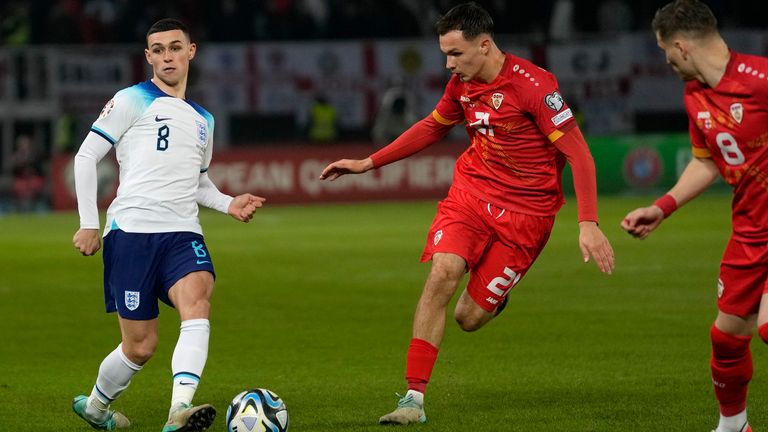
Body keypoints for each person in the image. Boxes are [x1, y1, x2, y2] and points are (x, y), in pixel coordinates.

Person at [320, 2, 614, 425]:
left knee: (468, 318)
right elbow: (433, 126)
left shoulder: (534, 86)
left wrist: (588, 224)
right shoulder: (462, 84)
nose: (448, 64)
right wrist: (369, 163)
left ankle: (495, 296)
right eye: (445, 53)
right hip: (472, 195)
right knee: (442, 273)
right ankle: (412, 401)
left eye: (455, 54)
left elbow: (580, 156)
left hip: (527, 216)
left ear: (485, 45)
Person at [71, 18, 265, 432]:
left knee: (198, 302)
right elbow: (86, 157)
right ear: (148, 57)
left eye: (174, 47)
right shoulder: (130, 99)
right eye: (157, 50)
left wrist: (229, 203)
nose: (167, 56)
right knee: (140, 347)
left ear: (190, 51)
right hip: (131, 234)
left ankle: (180, 409)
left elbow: (198, 183)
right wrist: (90, 223)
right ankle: (97, 406)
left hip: (183, 233)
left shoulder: (203, 120)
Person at [621, 2, 768, 431]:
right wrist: (661, 207)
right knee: (726, 340)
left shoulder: (760, 80)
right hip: (750, 229)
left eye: (665, 52)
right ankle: (733, 426)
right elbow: (707, 162)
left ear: (681, 47)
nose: (665, 62)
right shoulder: (695, 95)